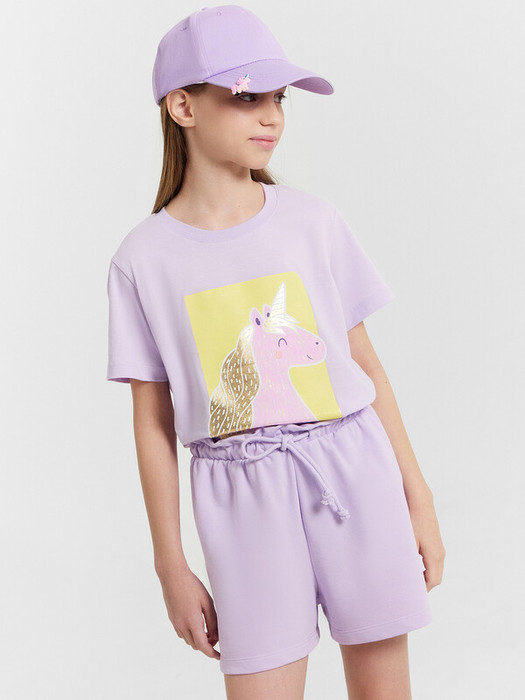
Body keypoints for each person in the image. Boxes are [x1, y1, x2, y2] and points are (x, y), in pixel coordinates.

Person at [106, 5, 445, 699]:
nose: (271, 117)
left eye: (279, 99)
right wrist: (170, 563)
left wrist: (419, 498)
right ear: (182, 107)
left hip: (353, 475)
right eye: (246, 97)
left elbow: (366, 367)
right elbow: (152, 421)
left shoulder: (311, 222)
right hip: (239, 498)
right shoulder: (143, 259)